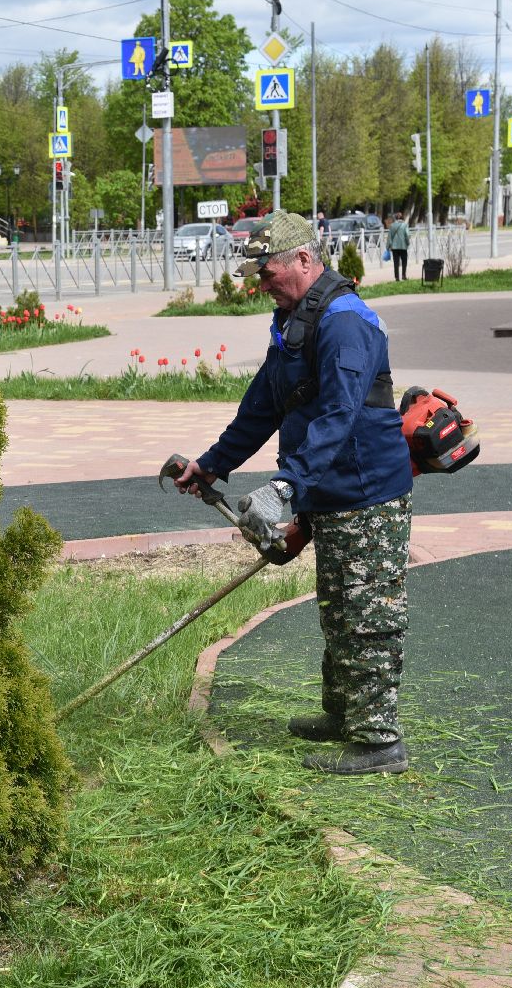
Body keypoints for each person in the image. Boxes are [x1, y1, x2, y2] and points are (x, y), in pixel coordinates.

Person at [175, 211, 414, 775]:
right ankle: (344, 714)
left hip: (366, 496)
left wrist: (285, 487)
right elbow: (262, 405)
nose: (261, 284)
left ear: (304, 260)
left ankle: (380, 741)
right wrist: (212, 466)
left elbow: (339, 414)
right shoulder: (293, 321)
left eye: (268, 272)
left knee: (366, 616)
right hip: (328, 494)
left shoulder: (347, 322)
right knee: (337, 609)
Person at [387, 213, 411, 281]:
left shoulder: (392, 225)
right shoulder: (404, 225)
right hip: (403, 246)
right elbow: (407, 235)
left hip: (394, 247)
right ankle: (404, 275)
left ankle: (397, 277)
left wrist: (388, 246)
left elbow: (389, 237)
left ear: (396, 218)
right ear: (402, 218)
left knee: (396, 263)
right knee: (404, 262)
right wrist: (408, 243)